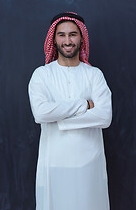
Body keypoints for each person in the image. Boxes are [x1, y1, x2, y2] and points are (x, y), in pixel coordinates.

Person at [28, 12, 112, 210]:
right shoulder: (42, 75)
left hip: (90, 166)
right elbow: (40, 113)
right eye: (62, 35)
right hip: (54, 165)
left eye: (73, 34)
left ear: (81, 38)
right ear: (54, 39)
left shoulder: (94, 75)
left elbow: (105, 116)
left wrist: (61, 120)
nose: (68, 40)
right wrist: (83, 105)